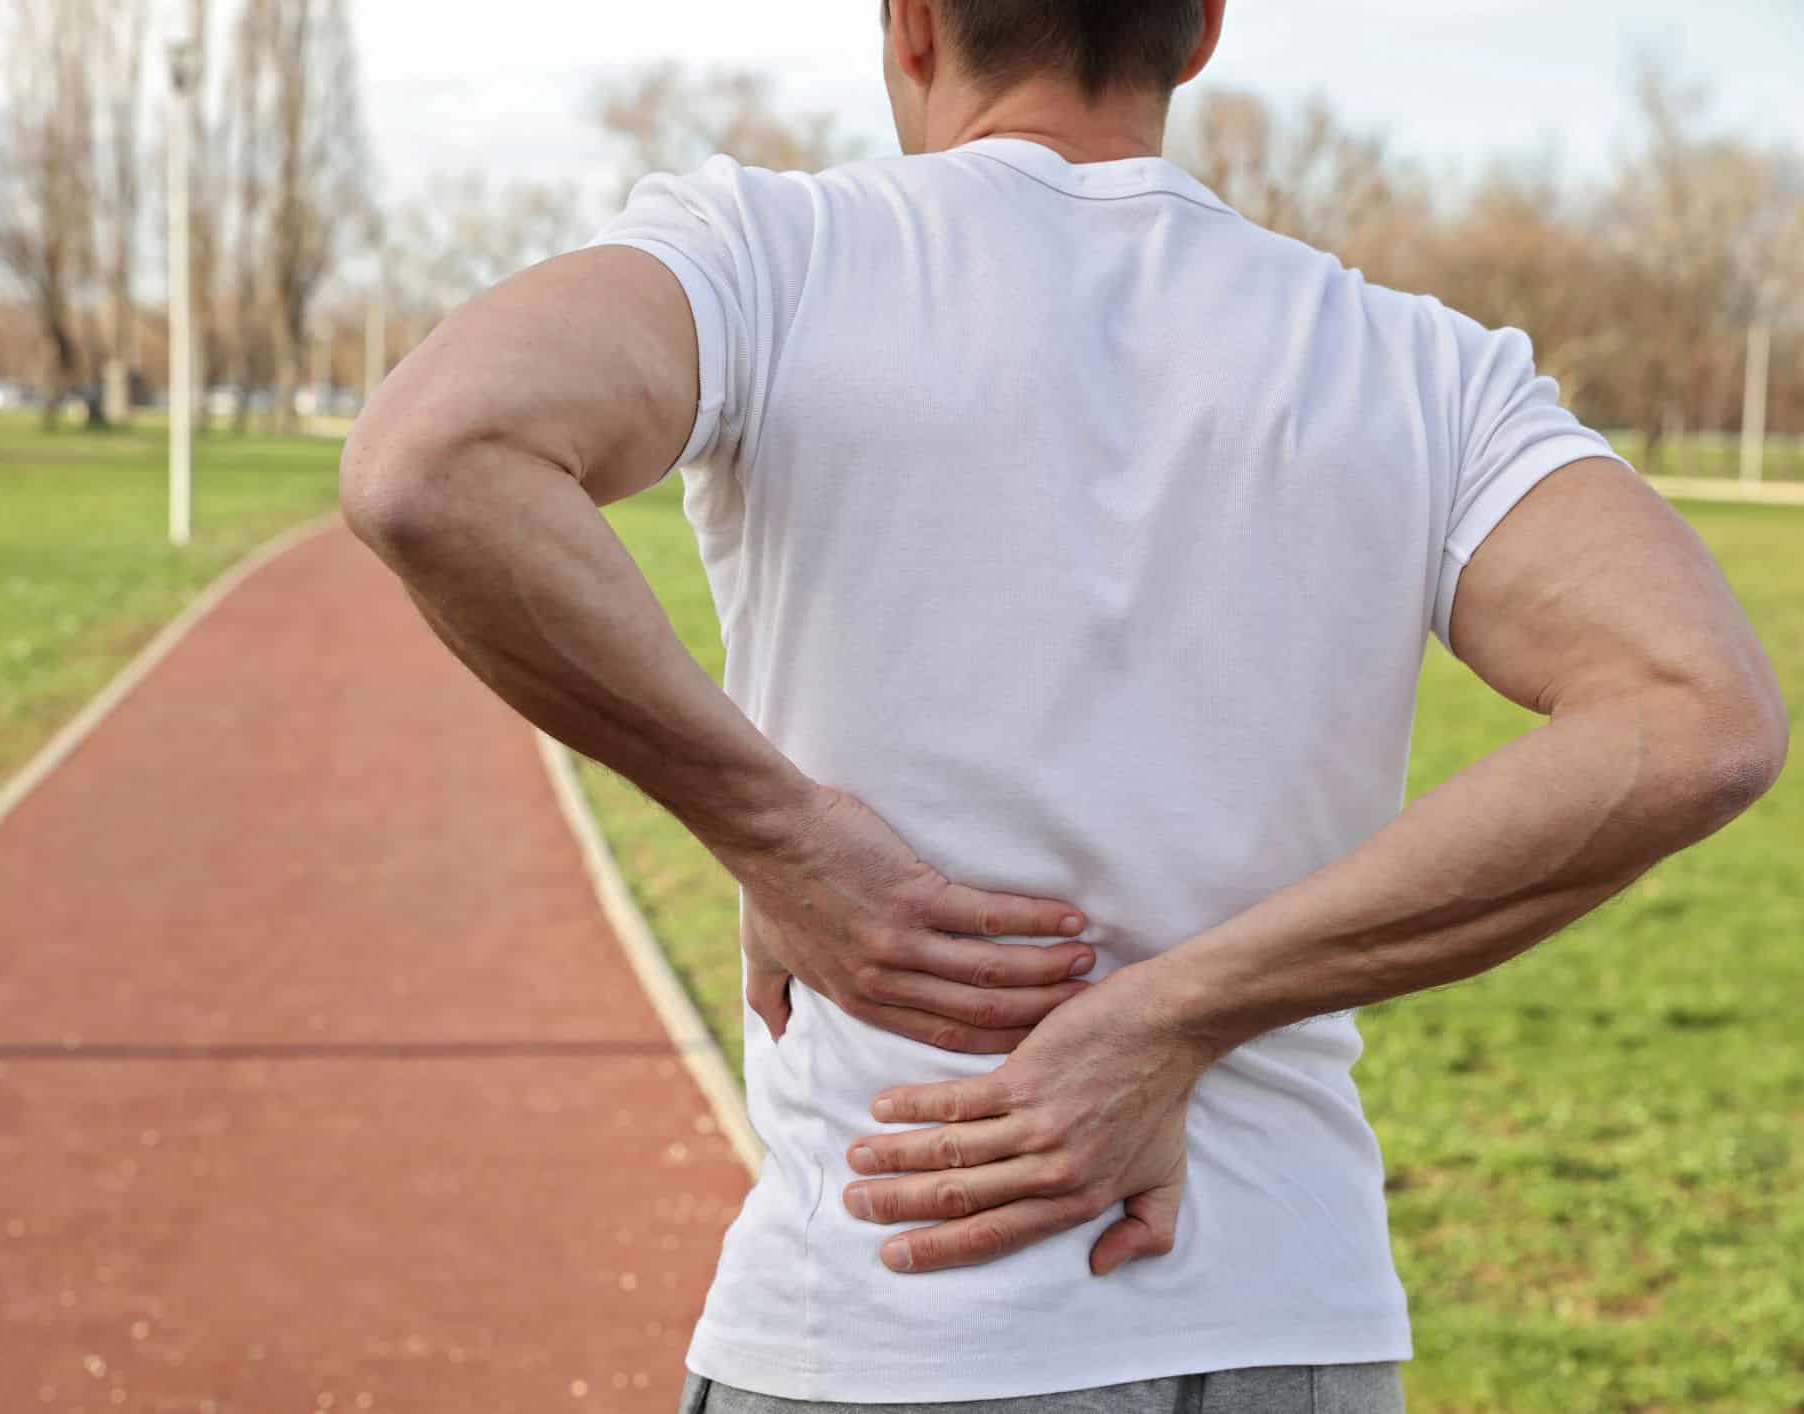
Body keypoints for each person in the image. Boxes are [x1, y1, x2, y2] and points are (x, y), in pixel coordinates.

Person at [338, 1, 1788, 1409]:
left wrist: (773, 831)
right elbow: (1696, 709)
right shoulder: (1419, 364)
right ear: (1198, 30)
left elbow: (433, 455)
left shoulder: (776, 256)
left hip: (896, 1323)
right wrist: (1181, 1013)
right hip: (1297, 1326)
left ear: (909, 25)